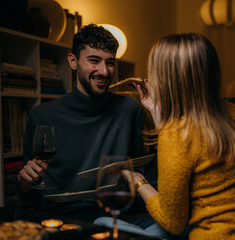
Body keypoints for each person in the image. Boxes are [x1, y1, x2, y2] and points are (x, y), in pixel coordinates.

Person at [95, 33, 235, 239]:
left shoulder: (177, 134)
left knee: (102, 222)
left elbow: (173, 223)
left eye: (153, 71)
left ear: (167, 79)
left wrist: (139, 182)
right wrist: (158, 113)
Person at [14, 24, 148, 223]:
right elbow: (29, 195)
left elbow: (143, 171)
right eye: (94, 60)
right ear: (73, 61)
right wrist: (24, 182)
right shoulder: (42, 115)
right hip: (61, 219)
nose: (104, 71)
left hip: (117, 215)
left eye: (110, 62)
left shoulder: (129, 109)